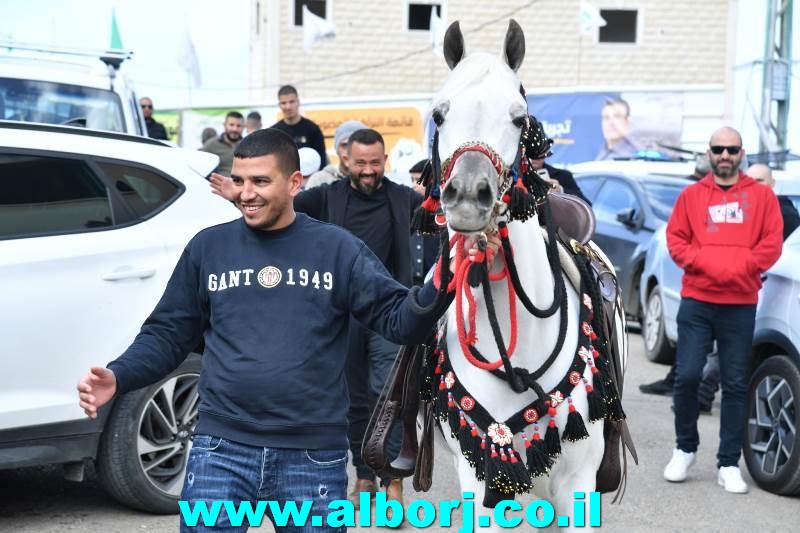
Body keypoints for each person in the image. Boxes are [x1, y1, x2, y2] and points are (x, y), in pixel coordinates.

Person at [76, 129, 460, 532]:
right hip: (220, 451)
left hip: (312, 459)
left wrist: (447, 274)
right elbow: (167, 333)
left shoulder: (337, 250)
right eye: (239, 181)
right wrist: (120, 375)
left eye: (260, 181)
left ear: (294, 183)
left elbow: (398, 316)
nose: (246, 193)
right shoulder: (208, 249)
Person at [662, 126, 783, 494]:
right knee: (686, 377)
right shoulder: (692, 196)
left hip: (740, 305)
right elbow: (676, 239)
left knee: (733, 385)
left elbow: (771, 244)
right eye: (719, 149)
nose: (725, 155)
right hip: (698, 300)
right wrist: (704, 262)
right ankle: (684, 447)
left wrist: (741, 266)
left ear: (742, 153)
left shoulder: (761, 197)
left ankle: (729, 463)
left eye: (732, 149)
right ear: (710, 153)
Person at [270, 85, 327, 167]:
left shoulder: (312, 129)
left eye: (292, 102)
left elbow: (322, 161)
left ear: (298, 102)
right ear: (279, 105)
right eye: (284, 103)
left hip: (311, 178)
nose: (288, 107)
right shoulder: (274, 132)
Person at [305, 120, 366, 189]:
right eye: (345, 145)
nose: (350, 151)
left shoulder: (376, 180)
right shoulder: (319, 181)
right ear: (336, 149)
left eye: (357, 145)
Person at [408, 159, 439, 286]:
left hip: (434, 279)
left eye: (418, 180)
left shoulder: (443, 210)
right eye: (412, 180)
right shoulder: (407, 206)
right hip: (411, 280)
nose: (414, 185)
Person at [201, 111, 244, 176]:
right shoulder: (211, 145)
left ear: (243, 127)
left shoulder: (248, 145)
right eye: (231, 125)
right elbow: (201, 168)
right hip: (218, 185)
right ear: (224, 125)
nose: (235, 129)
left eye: (239, 126)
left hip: (243, 184)